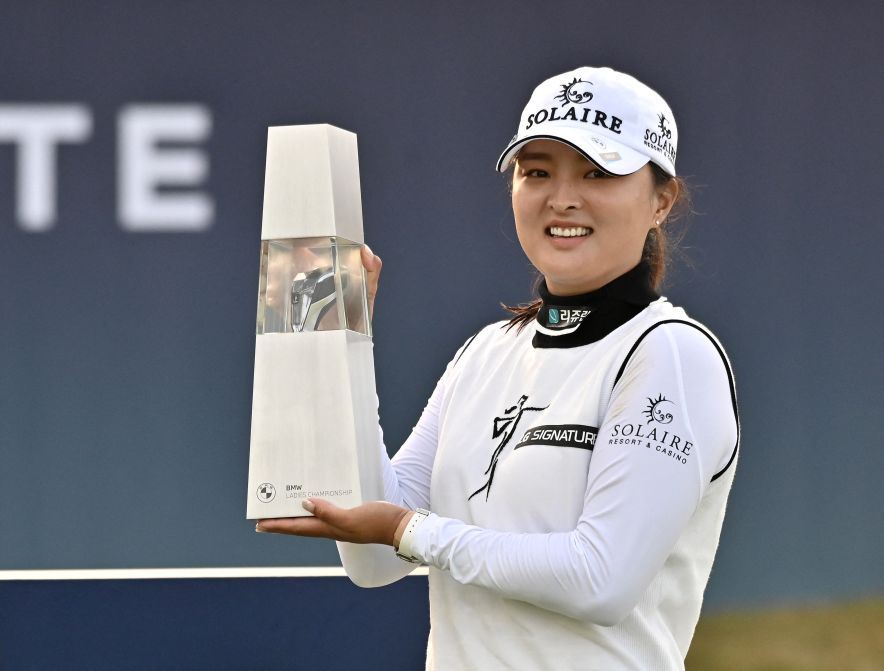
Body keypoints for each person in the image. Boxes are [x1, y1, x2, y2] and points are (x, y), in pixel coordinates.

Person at [256, 65, 740, 670]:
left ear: (660, 201)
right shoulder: (486, 351)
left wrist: (412, 531)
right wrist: (340, 343)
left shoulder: (670, 353)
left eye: (599, 172)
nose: (562, 197)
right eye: (537, 172)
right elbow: (374, 558)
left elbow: (600, 580)